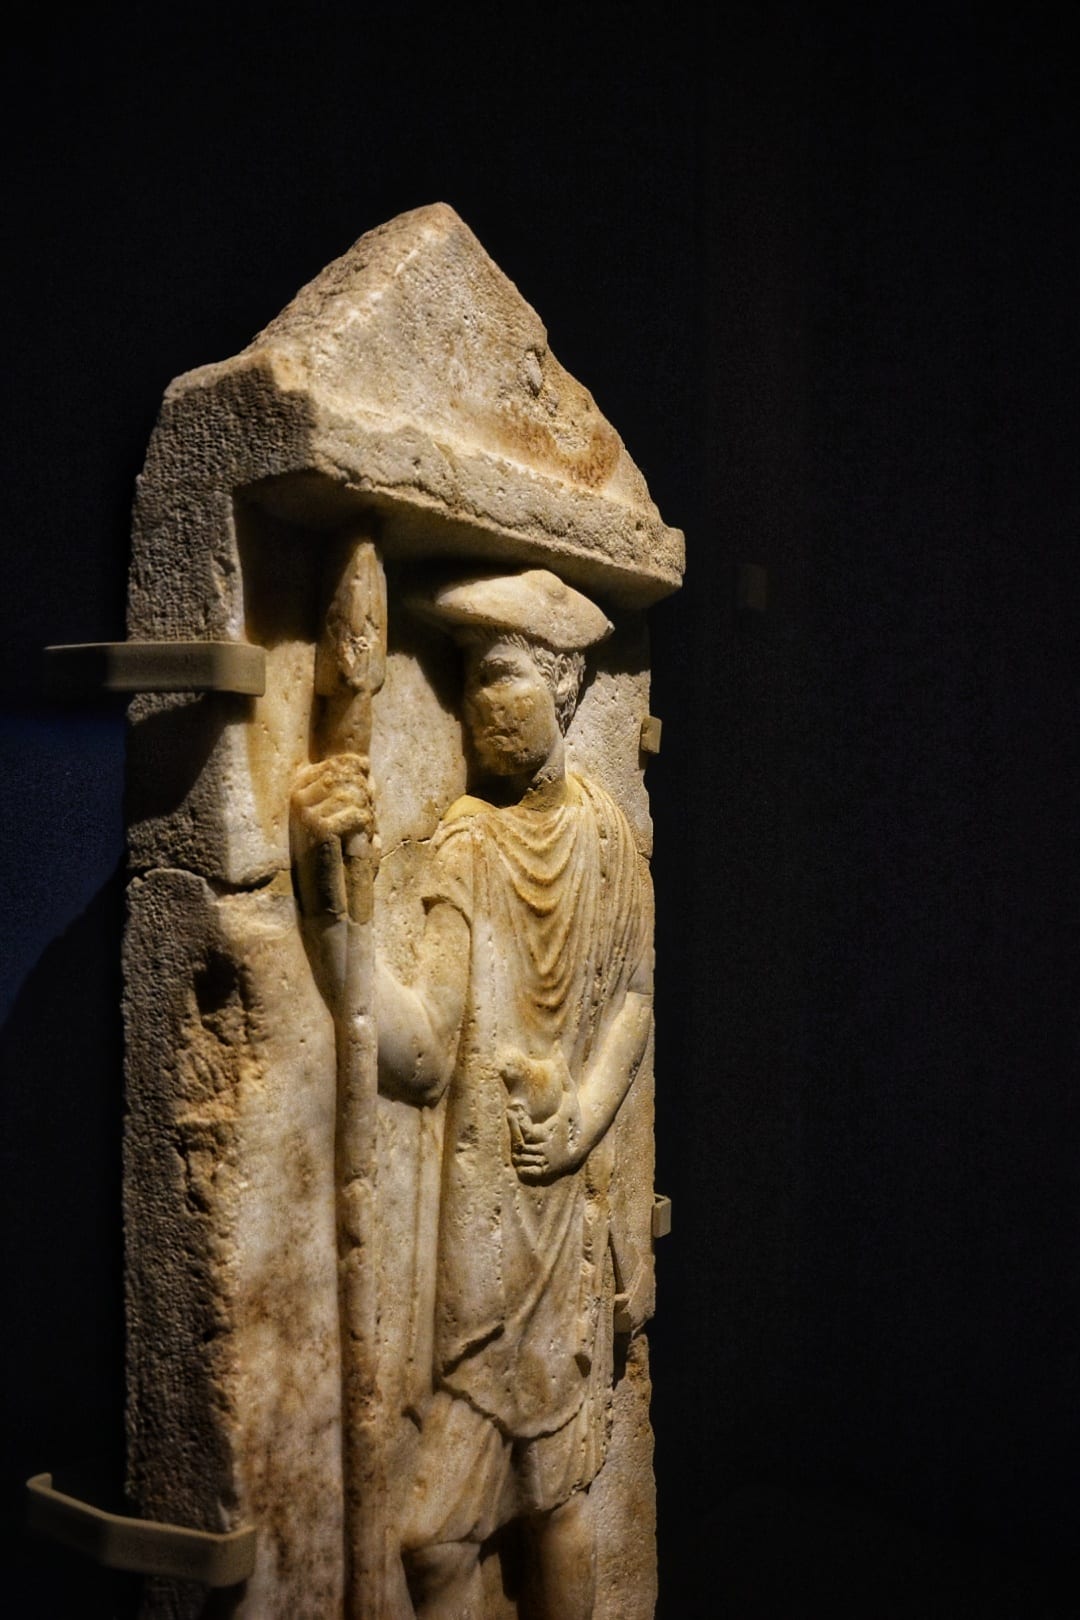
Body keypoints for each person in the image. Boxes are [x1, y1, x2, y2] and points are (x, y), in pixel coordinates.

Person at [293, 568, 653, 1620]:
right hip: (482, 1249)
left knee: (549, 1499)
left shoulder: (610, 841)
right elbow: (415, 1054)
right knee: (453, 1531)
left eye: (501, 675)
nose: (480, 703)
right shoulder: (468, 843)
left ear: (565, 685)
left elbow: (634, 1001)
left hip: (557, 1230)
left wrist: (582, 1118)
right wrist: (332, 907)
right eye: (466, 681)